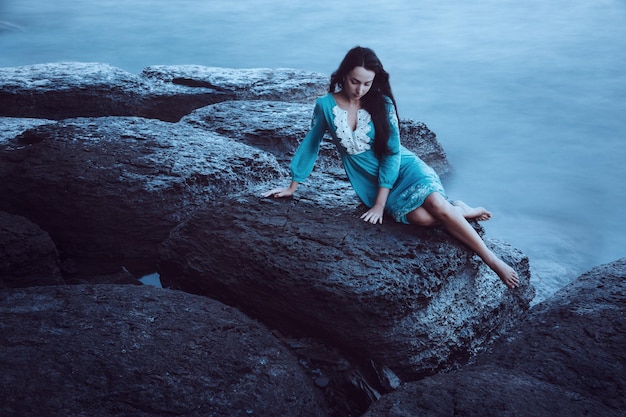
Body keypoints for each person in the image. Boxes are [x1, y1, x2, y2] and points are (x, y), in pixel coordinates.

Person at [263, 46, 519, 289]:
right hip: (370, 182)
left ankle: (492, 260)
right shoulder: (325, 106)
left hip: (405, 169)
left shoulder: (382, 104)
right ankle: (461, 210)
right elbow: (311, 144)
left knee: (437, 207)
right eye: (354, 81)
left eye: (367, 83)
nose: (360, 89)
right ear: (343, 75)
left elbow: (392, 153)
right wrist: (293, 185)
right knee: (423, 219)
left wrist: (379, 205)